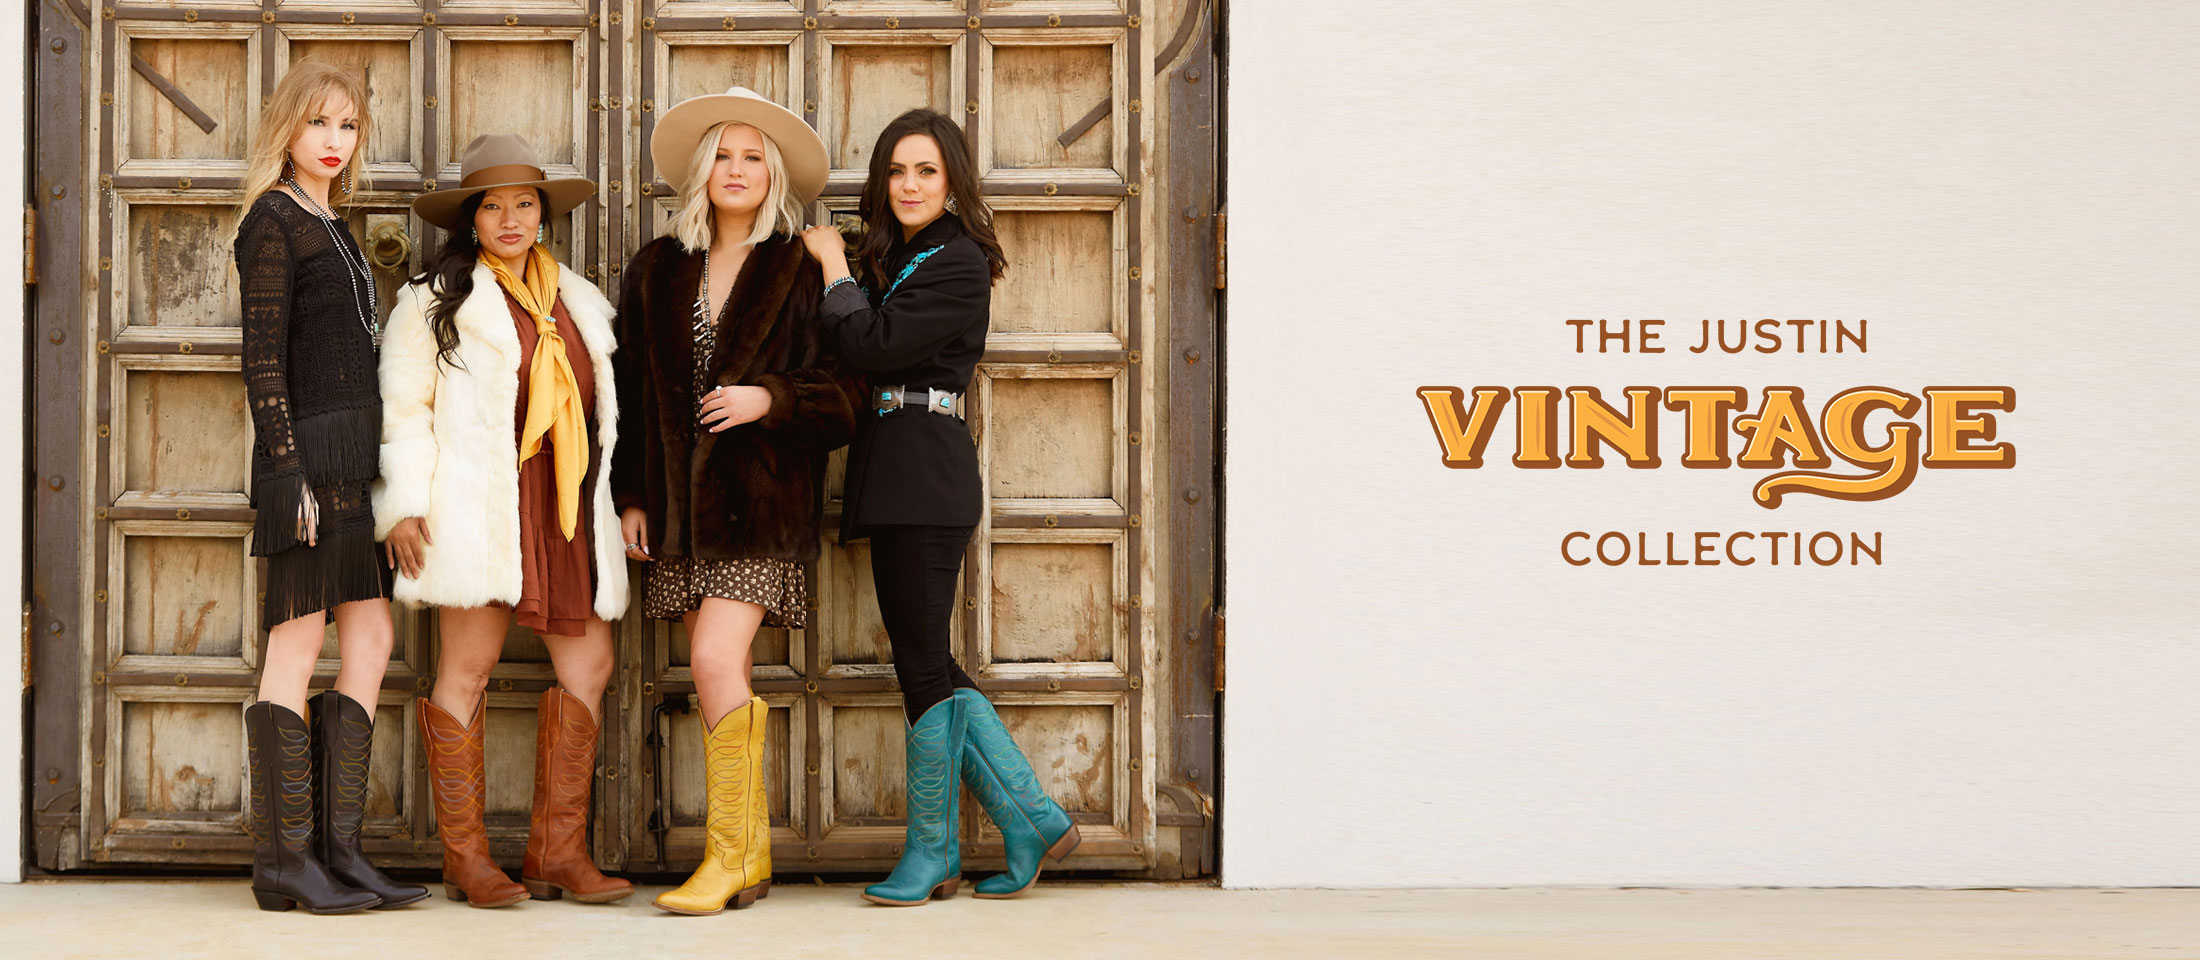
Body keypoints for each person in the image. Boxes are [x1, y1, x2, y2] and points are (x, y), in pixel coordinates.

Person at [799, 108, 1081, 906]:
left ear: (952, 180)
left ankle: (934, 852)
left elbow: (875, 345)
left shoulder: (957, 261)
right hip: (896, 471)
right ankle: (1030, 819)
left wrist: (833, 269)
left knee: (922, 660)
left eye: (926, 171)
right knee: (926, 659)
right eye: (897, 172)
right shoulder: (905, 255)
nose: (911, 185)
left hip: (928, 473)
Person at [615, 86, 857, 915]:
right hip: (680, 513)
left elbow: (848, 392)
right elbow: (636, 396)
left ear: (775, 173)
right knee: (720, 669)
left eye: (754, 157)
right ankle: (745, 858)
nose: (737, 169)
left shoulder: (798, 264)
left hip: (761, 504)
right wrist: (633, 497)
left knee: (716, 660)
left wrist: (771, 399)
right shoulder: (657, 267)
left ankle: (727, 859)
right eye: (724, 154)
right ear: (701, 169)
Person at [377, 134, 631, 908]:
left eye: (525, 204)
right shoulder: (431, 301)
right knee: (468, 670)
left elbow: (603, 417)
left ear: (544, 215)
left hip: (562, 508)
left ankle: (557, 850)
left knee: (589, 665)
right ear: (472, 219)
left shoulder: (578, 302)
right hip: (479, 505)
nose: (511, 218)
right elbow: (405, 409)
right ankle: (467, 860)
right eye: (494, 206)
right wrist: (404, 506)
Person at [236, 60, 423, 914]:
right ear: (288, 129)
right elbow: (263, 358)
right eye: (319, 125)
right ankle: (283, 865)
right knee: (295, 647)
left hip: (353, 464)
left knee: (374, 639)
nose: (334, 143)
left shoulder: (337, 224)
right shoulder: (271, 220)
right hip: (306, 462)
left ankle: (337, 852)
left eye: (348, 127)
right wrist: (286, 473)